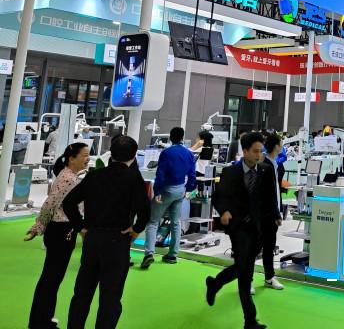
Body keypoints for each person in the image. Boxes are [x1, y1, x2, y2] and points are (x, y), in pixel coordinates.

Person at [62, 135, 150, 329]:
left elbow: (68, 203)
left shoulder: (94, 175)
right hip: (118, 239)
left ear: (111, 152)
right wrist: (136, 229)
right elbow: (145, 210)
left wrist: (81, 227)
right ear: (134, 155)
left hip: (92, 238)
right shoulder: (133, 178)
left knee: (82, 294)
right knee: (111, 297)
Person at [206, 132, 277, 329]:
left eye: (260, 151)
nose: (259, 155)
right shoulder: (230, 172)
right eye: (255, 151)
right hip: (238, 227)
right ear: (244, 151)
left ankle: (215, 283)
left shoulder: (266, 171)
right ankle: (250, 320)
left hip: (259, 227)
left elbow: (270, 197)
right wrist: (224, 211)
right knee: (245, 272)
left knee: (243, 267)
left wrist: (276, 215)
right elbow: (218, 197)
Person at [25, 143, 90, 329]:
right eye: (84, 155)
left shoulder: (69, 176)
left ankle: (42, 319)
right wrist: (38, 226)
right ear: (71, 159)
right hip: (61, 231)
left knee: (51, 279)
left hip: (61, 231)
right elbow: (50, 204)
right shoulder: (69, 179)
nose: (88, 159)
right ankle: (41, 322)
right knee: (51, 279)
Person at [141, 127, 196, 269]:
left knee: (153, 221)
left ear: (171, 138)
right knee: (175, 222)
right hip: (180, 190)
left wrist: (157, 191)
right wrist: (188, 189)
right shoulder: (189, 154)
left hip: (166, 189)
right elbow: (192, 174)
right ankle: (172, 255)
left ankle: (149, 254)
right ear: (182, 137)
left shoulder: (166, 153)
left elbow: (160, 174)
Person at [261, 133, 285, 291]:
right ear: (276, 146)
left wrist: (279, 210)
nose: (282, 146)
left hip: (273, 211)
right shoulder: (264, 165)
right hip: (264, 213)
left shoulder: (276, 165)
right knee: (255, 247)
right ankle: (247, 280)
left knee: (269, 246)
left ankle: (269, 277)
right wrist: (276, 213)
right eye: (281, 143)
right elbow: (266, 193)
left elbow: (276, 190)